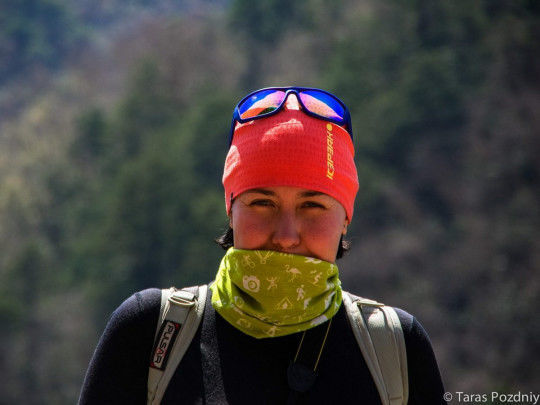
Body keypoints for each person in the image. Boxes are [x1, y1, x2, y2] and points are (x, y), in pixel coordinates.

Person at [79, 87, 445, 404]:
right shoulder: (150, 333)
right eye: (262, 203)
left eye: (312, 206)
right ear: (231, 209)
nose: (286, 235)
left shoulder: (396, 350)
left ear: (346, 217)